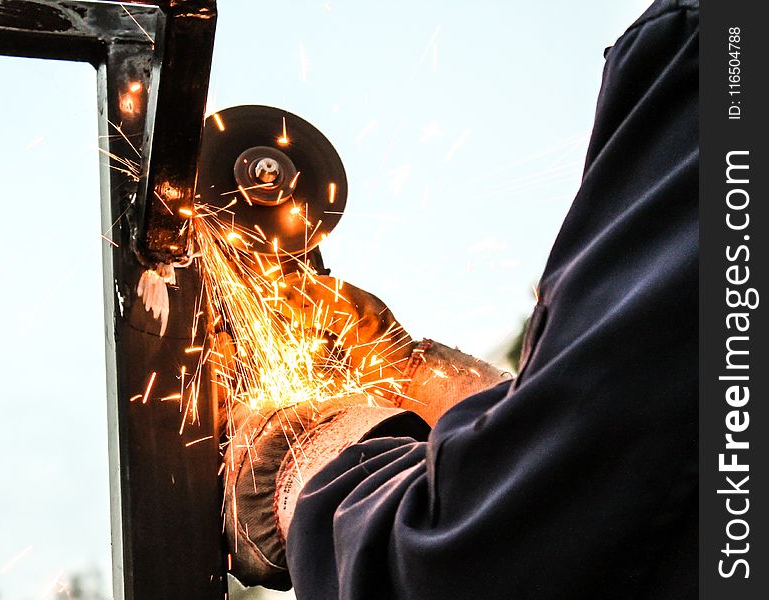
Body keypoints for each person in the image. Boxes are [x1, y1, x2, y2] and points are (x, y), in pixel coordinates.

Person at [224, 1, 699, 597]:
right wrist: (420, 380)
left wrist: (291, 456)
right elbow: (642, 474)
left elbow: (481, 554)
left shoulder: (720, 74)